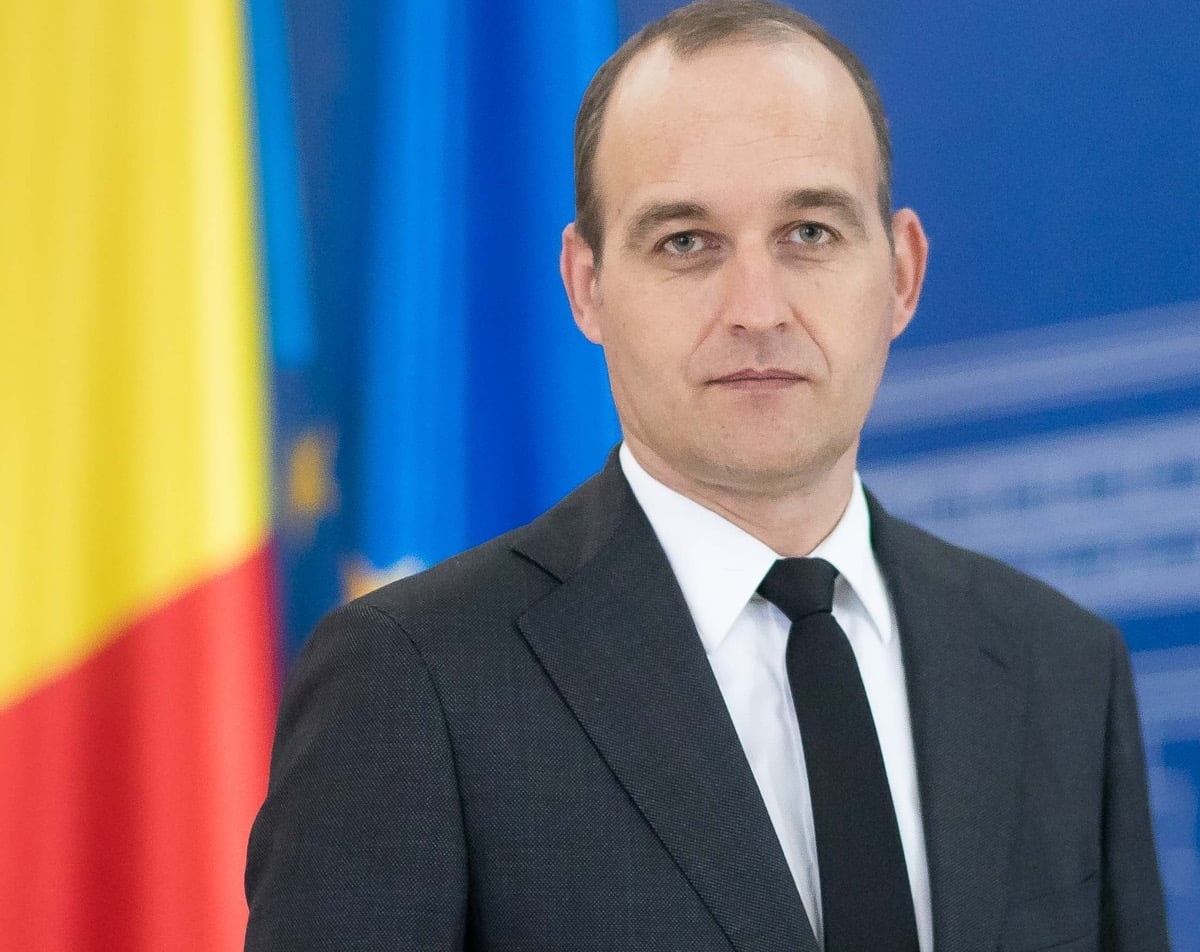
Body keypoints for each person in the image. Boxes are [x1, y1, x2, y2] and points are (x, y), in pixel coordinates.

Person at [244, 2, 1170, 950]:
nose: (757, 309)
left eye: (810, 232)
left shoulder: (1062, 666)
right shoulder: (413, 680)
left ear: (901, 273)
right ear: (587, 286)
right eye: (685, 242)